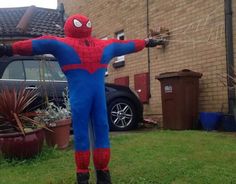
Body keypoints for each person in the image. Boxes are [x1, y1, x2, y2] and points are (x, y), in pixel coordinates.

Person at [0, 14, 164, 184]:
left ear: (69, 27)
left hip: (80, 98)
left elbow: (36, 44)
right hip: (98, 97)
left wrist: (7, 49)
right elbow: (126, 45)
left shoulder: (61, 44)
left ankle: (83, 175)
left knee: (81, 133)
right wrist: (146, 42)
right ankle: (103, 174)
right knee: (101, 130)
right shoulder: (104, 45)